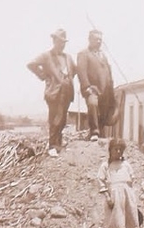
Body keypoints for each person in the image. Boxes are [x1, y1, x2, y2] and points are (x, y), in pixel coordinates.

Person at [27, 29, 76, 157]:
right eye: (60, 41)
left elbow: (74, 71)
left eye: (64, 42)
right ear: (54, 41)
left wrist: (68, 80)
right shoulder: (46, 56)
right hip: (54, 92)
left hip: (67, 91)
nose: (62, 44)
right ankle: (52, 146)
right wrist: (44, 76)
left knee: (63, 119)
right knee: (55, 119)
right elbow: (31, 64)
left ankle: (58, 144)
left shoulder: (68, 58)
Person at [97, 138, 139, 228]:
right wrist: (108, 196)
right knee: (113, 225)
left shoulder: (126, 165)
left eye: (121, 149)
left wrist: (127, 194)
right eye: (116, 149)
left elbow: (131, 180)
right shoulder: (105, 166)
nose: (118, 151)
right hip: (113, 198)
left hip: (124, 198)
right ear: (110, 150)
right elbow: (100, 181)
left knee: (122, 226)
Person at [77, 30, 119, 141]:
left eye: (100, 39)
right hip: (92, 89)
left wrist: (111, 89)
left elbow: (108, 72)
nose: (99, 41)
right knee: (92, 104)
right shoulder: (84, 54)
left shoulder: (103, 55)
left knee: (104, 112)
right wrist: (86, 86)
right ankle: (94, 132)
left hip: (105, 90)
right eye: (96, 39)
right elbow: (81, 71)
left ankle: (101, 134)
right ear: (90, 40)